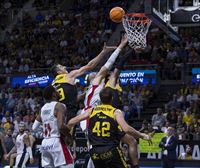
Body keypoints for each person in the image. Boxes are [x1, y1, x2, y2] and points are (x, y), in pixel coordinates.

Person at [67, 87, 151, 168]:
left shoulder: (91, 110)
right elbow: (126, 129)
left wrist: (67, 136)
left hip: (95, 152)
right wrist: (142, 135)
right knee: (131, 141)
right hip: (110, 150)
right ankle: (136, 166)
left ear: (100, 98)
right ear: (112, 98)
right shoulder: (115, 112)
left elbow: (71, 122)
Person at [51, 43, 117, 121]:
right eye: (61, 67)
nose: (64, 67)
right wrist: (103, 52)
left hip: (56, 112)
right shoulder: (68, 76)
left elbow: (66, 98)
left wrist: (83, 95)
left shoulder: (53, 84)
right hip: (68, 112)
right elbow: (90, 66)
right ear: (58, 72)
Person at [32, 85, 74, 168]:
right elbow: (61, 126)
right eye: (57, 90)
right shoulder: (59, 106)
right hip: (57, 141)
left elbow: (34, 127)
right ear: (54, 94)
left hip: (45, 143)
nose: (59, 92)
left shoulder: (43, 108)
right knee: (69, 165)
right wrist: (69, 136)